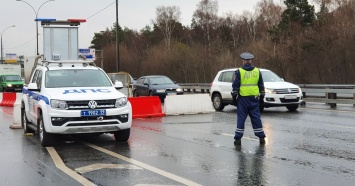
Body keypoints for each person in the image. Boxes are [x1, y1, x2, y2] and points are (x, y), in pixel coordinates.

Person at [232, 52, 266, 145]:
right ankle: (261, 137)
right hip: (254, 99)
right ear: (251, 61)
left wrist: (234, 97)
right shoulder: (257, 71)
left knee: (241, 119)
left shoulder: (239, 71)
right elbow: (261, 85)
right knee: (256, 118)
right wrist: (262, 97)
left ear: (243, 61)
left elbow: (235, 86)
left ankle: (238, 139)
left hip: (243, 100)